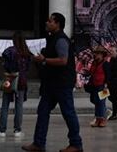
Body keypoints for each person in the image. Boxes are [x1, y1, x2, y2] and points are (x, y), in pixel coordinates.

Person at [22, 11, 82, 152]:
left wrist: (44, 60)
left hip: (62, 83)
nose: (47, 23)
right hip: (51, 83)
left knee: (68, 113)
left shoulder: (61, 40)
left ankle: (76, 144)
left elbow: (63, 60)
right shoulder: (52, 39)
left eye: (50, 21)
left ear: (57, 24)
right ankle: (38, 143)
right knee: (42, 111)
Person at [0, 31, 32, 138]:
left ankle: (2, 130)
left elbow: (6, 65)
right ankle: (17, 130)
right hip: (22, 81)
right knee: (19, 106)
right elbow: (28, 68)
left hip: (10, 80)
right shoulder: (26, 53)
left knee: (5, 105)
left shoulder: (9, 51)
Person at [86, 46, 109, 128]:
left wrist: (106, 86)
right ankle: (98, 119)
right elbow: (91, 72)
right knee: (96, 102)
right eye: (95, 53)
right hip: (94, 86)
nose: (95, 55)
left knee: (101, 103)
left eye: (98, 53)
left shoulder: (106, 64)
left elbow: (108, 76)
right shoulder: (94, 63)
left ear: (102, 55)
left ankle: (102, 120)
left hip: (103, 86)